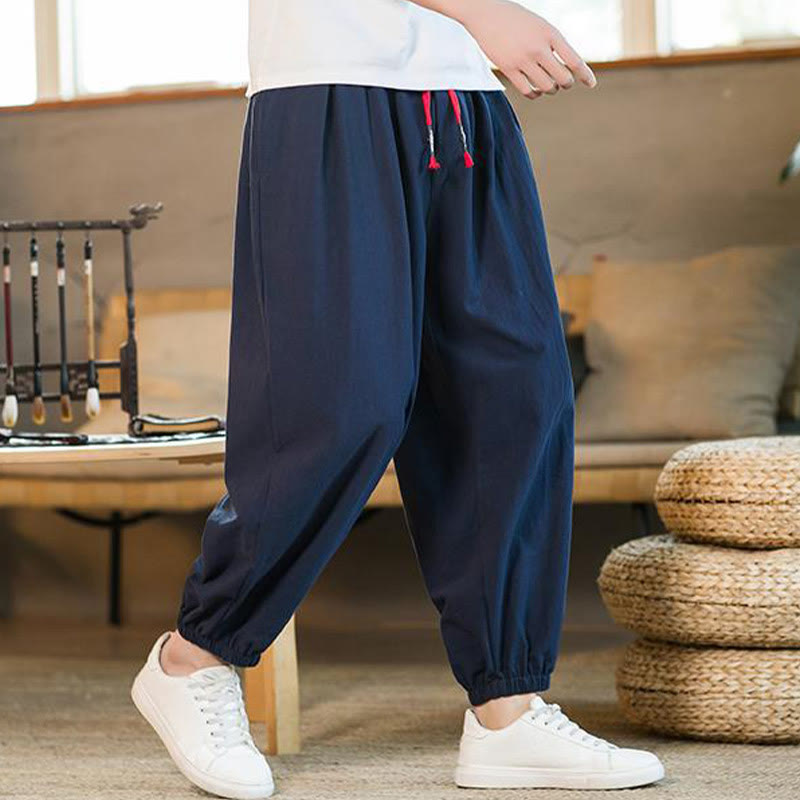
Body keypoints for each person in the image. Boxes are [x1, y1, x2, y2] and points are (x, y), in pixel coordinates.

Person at [131, 1, 665, 797]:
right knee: (344, 402)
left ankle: (507, 708)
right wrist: (486, 13)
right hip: (328, 92)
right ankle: (195, 655)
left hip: (462, 98)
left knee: (512, 396)